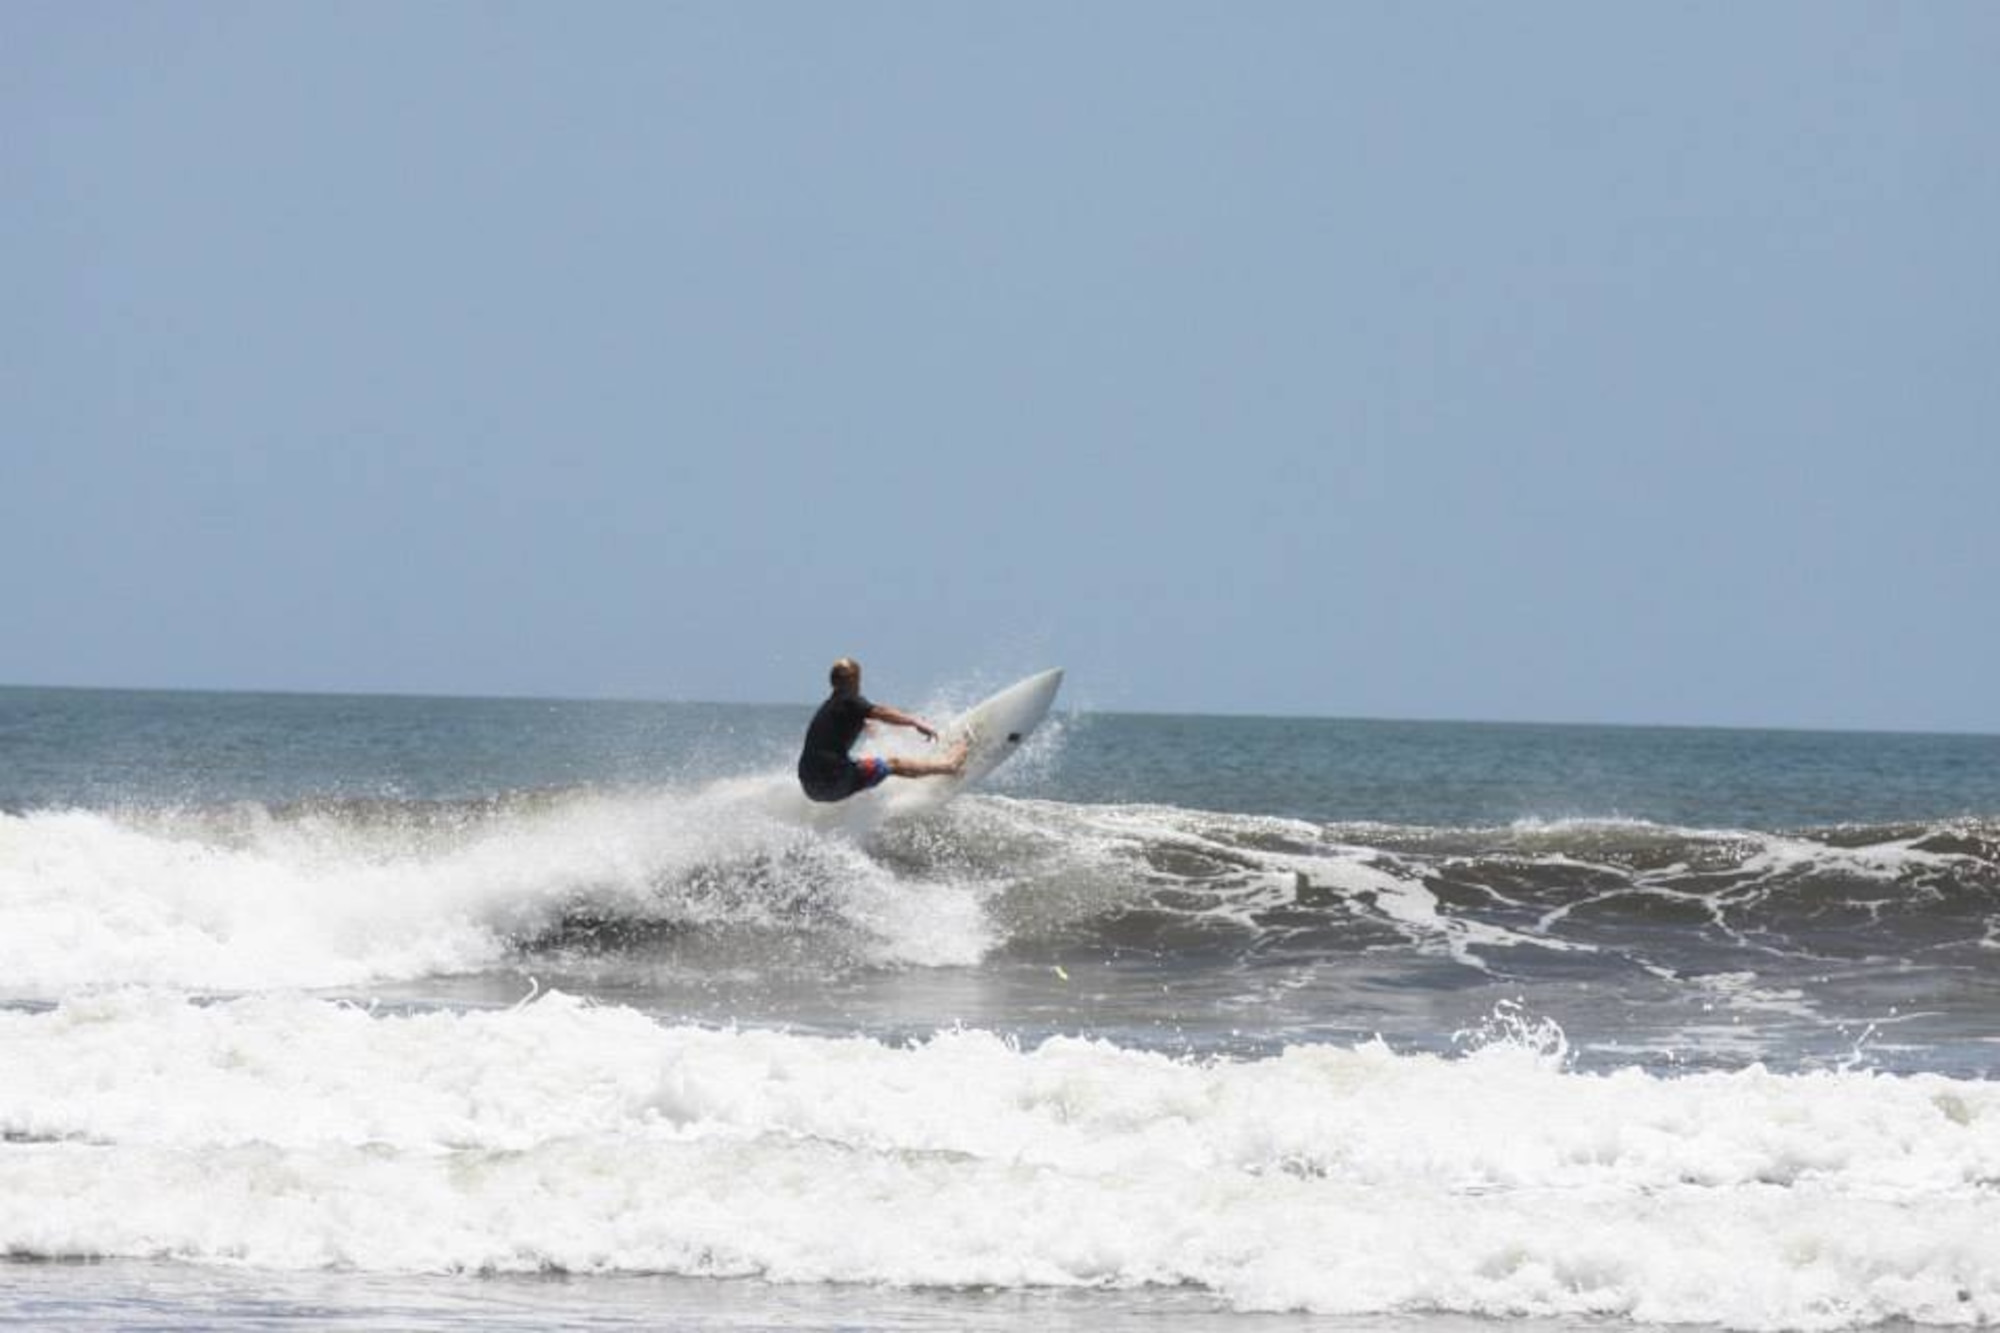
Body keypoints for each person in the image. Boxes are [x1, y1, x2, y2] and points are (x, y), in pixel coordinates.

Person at [797, 657, 967, 802]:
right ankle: (950, 766)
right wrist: (915, 722)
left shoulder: (830, 707)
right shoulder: (850, 700)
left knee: (857, 765)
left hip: (810, 787)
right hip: (833, 783)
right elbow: (881, 712)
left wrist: (866, 726)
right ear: (854, 679)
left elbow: (843, 725)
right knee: (894, 764)